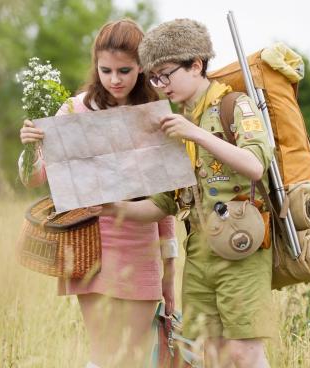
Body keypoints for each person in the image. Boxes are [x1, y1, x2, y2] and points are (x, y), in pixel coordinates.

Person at [100, 18, 275, 368]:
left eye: (166, 74)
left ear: (196, 65)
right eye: (154, 78)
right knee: (206, 354)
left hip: (241, 247)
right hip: (198, 255)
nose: (161, 85)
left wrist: (195, 135)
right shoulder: (176, 121)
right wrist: (109, 207)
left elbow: (256, 165)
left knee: (244, 352)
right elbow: (164, 203)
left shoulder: (234, 106)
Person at [18, 19, 178, 368]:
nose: (115, 79)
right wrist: (29, 147)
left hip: (140, 245)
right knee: (104, 353)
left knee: (133, 355)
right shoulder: (75, 110)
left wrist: (170, 276)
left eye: (125, 70)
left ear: (142, 67)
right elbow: (35, 178)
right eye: (105, 70)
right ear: (95, 66)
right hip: (88, 243)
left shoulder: (155, 118)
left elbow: (166, 207)